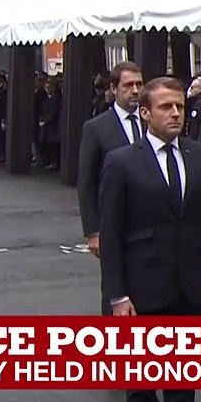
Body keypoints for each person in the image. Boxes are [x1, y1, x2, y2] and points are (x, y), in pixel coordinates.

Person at [98, 76, 201, 402]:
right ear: (146, 113)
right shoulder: (121, 162)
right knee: (141, 388)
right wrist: (117, 294)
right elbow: (111, 236)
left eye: (180, 107)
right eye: (166, 107)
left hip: (189, 288)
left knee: (182, 386)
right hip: (141, 293)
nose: (176, 114)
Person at [77, 61, 144, 313]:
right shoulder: (97, 128)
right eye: (129, 85)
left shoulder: (151, 122)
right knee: (116, 286)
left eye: (139, 84)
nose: (135, 90)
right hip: (113, 220)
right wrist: (92, 231)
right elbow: (86, 181)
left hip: (149, 218)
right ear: (114, 89)